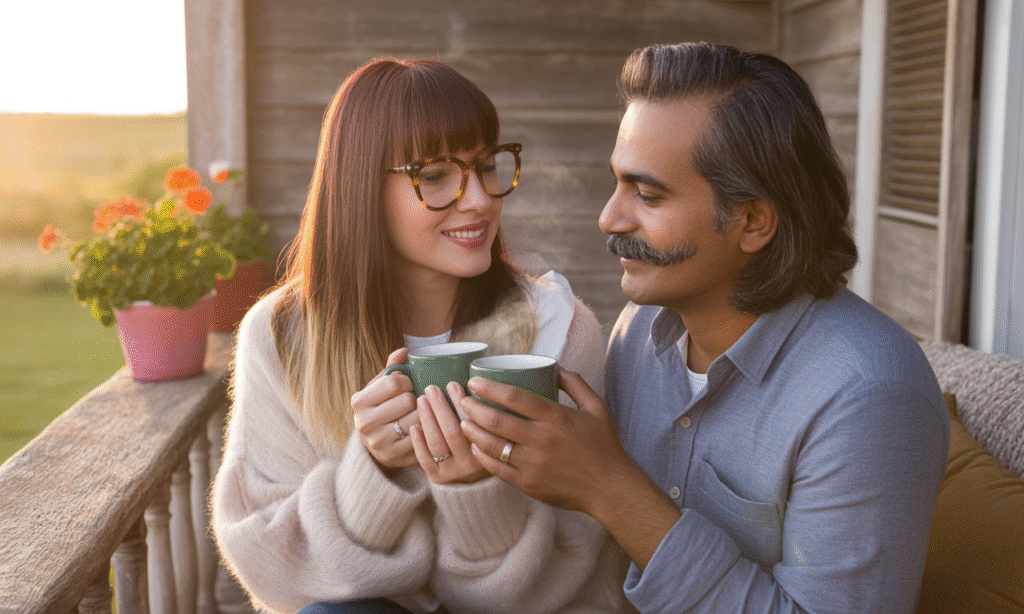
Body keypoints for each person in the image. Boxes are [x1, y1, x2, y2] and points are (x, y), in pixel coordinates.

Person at [460, 42, 950, 613]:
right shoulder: (640, 331)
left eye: (646, 194)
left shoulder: (868, 396)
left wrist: (610, 489)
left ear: (752, 221)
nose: (609, 218)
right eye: (617, 183)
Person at [211, 58, 625, 614]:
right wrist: (374, 475)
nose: (479, 200)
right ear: (361, 187)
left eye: (486, 167)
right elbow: (275, 571)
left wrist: (475, 493)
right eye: (435, 176)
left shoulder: (557, 329)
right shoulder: (285, 334)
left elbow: (582, 569)